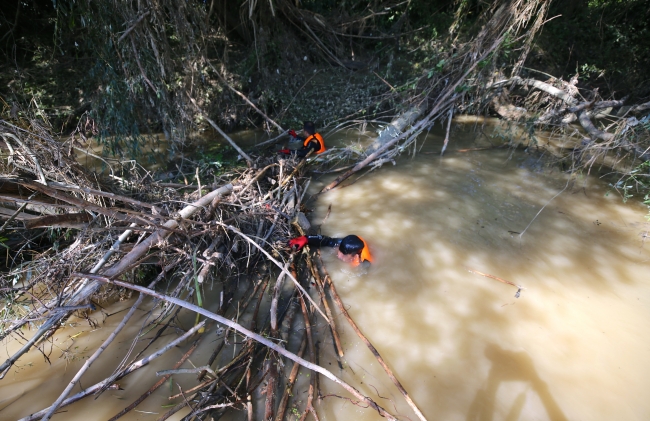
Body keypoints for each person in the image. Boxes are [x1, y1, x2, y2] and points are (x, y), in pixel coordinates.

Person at [288, 234, 372, 266]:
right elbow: (328, 240)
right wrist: (306, 238)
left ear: (355, 256)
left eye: (343, 255)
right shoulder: (343, 244)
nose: (339, 256)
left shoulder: (364, 264)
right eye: (340, 251)